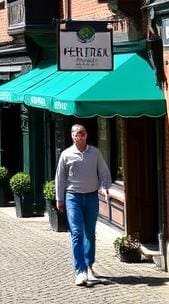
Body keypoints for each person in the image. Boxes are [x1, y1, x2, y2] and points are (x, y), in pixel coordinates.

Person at [55, 123, 111, 287]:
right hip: (73, 198)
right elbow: (60, 178)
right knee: (77, 233)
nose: (79, 136)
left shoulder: (95, 153)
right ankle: (80, 271)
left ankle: (89, 266)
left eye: (82, 133)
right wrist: (59, 199)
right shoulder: (66, 155)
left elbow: (104, 172)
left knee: (90, 233)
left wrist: (105, 187)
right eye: (76, 133)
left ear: (86, 135)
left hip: (92, 197)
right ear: (72, 136)